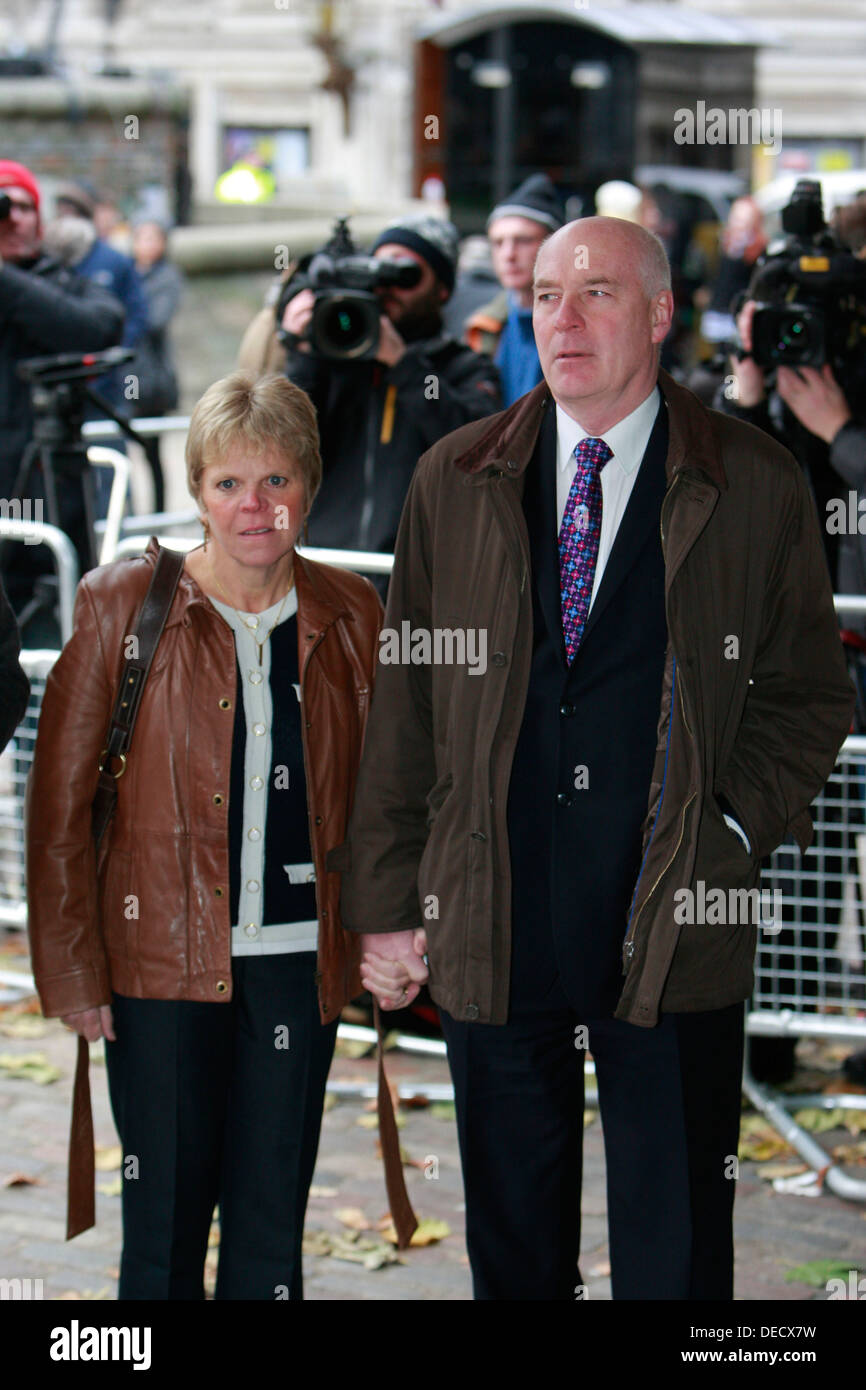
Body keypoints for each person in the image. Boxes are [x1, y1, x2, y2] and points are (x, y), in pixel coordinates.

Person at [338, 216, 855, 1300]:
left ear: (660, 315)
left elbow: (809, 696)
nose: (562, 320)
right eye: (544, 298)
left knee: (673, 1253)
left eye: (597, 294)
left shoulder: (753, 481)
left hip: (671, 918)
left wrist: (728, 829)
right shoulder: (455, 474)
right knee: (514, 1249)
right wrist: (386, 898)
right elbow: (406, 708)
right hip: (494, 911)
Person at [27, 371, 383, 1300]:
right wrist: (70, 969)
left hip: (296, 965)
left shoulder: (352, 614)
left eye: (275, 481)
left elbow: (392, 795)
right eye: (228, 483)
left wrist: (389, 926)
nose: (254, 507)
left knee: (271, 1245)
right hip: (158, 969)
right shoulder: (124, 606)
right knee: (162, 1240)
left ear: (308, 482)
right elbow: (60, 804)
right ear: (196, 491)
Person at [280, 214, 501, 569]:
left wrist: (403, 365)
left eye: (405, 275)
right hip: (327, 570)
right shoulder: (336, 363)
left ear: (442, 290)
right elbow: (284, 443)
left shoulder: (463, 368)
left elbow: (474, 450)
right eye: (378, 270)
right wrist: (302, 353)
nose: (387, 287)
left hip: (416, 579)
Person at [0, 160, 125, 640]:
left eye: (23, 206)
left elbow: (98, 327)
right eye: (2, 207)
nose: (11, 217)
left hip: (51, 502)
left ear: (41, 219)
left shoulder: (63, 282)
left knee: (57, 657)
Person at [465, 173, 564, 405]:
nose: (508, 254)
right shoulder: (483, 326)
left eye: (523, 240)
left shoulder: (582, 323)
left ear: (554, 244)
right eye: (498, 243)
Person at [130, 218, 185, 512]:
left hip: (152, 379)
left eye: (153, 238)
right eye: (142, 238)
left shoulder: (167, 277)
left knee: (152, 451)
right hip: (125, 376)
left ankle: (157, 513)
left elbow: (155, 320)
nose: (147, 245)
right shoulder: (126, 272)